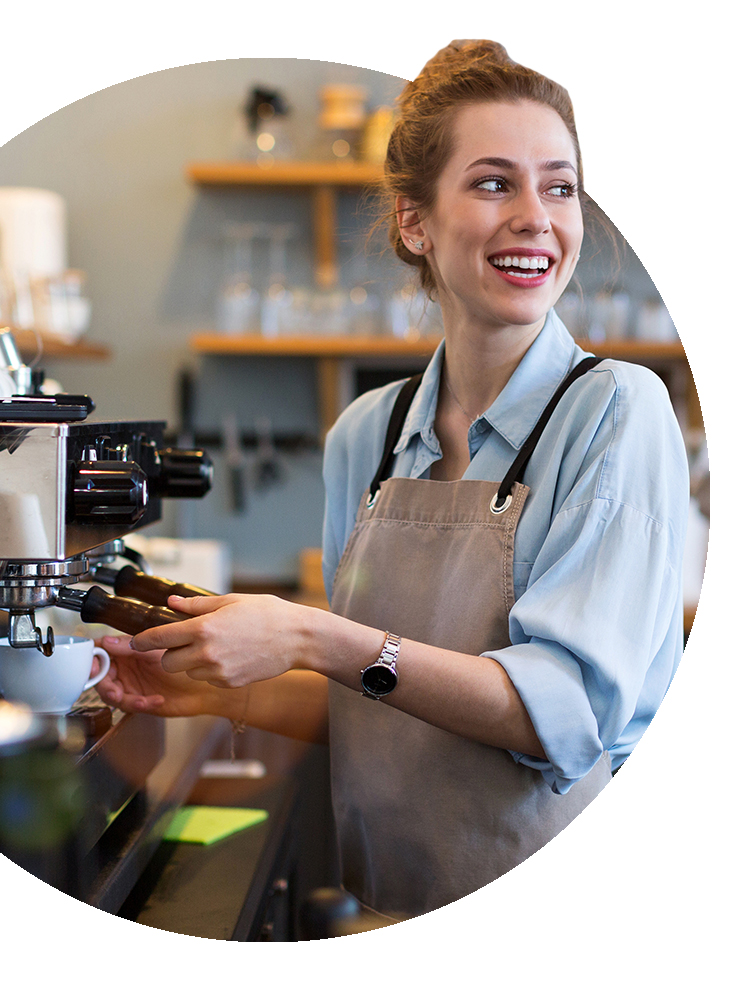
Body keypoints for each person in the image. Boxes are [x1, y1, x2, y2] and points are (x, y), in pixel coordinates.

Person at [94, 40, 689, 919]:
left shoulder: (616, 412)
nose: (538, 217)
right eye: (495, 183)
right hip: (393, 905)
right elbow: (375, 704)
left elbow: (562, 719)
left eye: (559, 186)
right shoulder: (366, 435)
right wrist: (233, 692)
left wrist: (307, 638)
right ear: (415, 222)